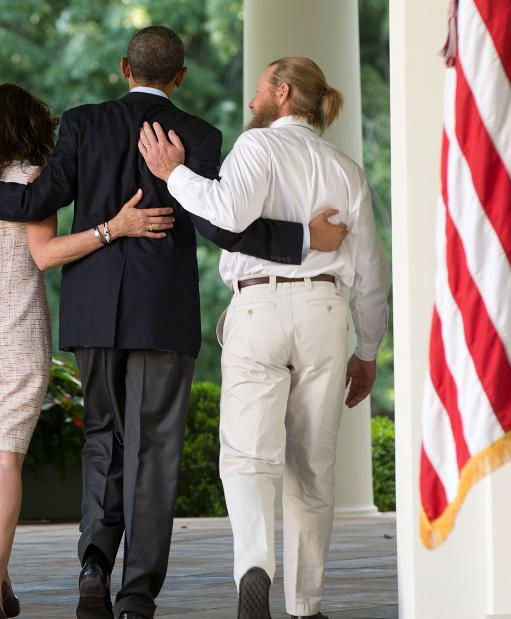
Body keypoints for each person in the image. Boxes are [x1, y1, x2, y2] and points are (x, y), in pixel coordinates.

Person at [0, 28, 347, 619]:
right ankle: (137, 595)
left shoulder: (83, 123)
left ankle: (92, 568)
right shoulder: (201, 135)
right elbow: (222, 226)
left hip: (92, 313)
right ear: (180, 77)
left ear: (123, 68)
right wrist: (302, 238)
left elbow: (39, 204)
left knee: (102, 439)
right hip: (163, 315)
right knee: (154, 449)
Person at [0, 83, 178, 619]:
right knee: (4, 458)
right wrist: (114, 228)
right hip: (14, 331)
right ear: (31, 127)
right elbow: (45, 256)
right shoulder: (33, 181)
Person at [137, 56, 390, 619]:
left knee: (248, 454)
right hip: (327, 311)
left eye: (258, 92)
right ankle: (307, 604)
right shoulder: (346, 169)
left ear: (281, 92)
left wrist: (173, 174)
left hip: (259, 307)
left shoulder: (257, 148)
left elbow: (227, 213)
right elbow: (372, 273)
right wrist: (367, 351)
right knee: (314, 462)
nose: (251, 103)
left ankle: (255, 566)